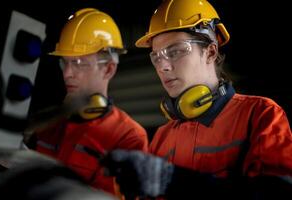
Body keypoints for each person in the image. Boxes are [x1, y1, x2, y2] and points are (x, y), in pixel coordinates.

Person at [102, 0, 292, 199]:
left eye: (175, 51)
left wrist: (170, 180)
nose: (162, 67)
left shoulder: (260, 114)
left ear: (210, 52)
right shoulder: (162, 137)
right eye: (156, 57)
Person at [23, 8, 148, 197]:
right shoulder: (48, 126)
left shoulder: (128, 136)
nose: (67, 73)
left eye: (79, 63)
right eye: (65, 62)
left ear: (108, 69)